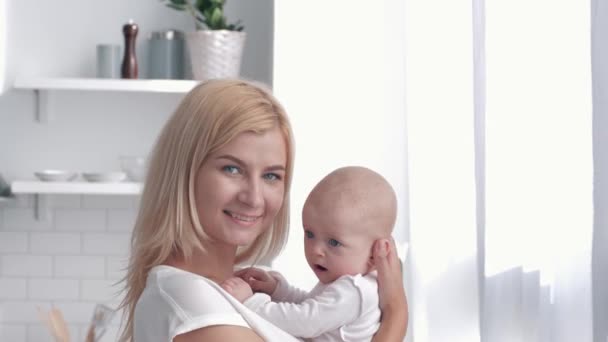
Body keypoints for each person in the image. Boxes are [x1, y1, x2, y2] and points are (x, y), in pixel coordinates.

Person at [118, 79, 408, 342]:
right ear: (184, 172)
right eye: (232, 169)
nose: (254, 198)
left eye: (271, 176)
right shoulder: (195, 306)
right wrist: (395, 313)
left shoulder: (238, 287)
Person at [222, 166, 399, 341]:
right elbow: (311, 305)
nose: (316, 250)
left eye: (334, 242)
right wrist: (278, 290)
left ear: (373, 256)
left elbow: (305, 321)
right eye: (310, 234)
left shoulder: (354, 291)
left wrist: (251, 303)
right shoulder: (346, 284)